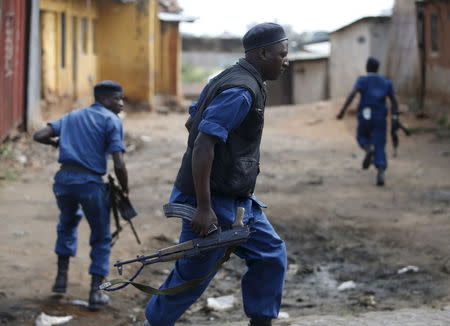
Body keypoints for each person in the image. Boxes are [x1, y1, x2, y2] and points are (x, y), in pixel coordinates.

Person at [143, 23, 289, 326]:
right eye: (282, 54)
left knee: (270, 254)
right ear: (263, 53)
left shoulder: (238, 78)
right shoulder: (240, 90)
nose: (285, 61)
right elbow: (202, 144)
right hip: (210, 200)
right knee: (194, 274)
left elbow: (193, 118)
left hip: (236, 197)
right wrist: (204, 207)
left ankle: (261, 320)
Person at [33, 80, 129, 311]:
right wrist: (125, 189)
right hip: (90, 184)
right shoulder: (111, 120)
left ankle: (61, 280)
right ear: (104, 99)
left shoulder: (71, 116)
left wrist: (57, 143)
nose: (121, 104)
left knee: (66, 224)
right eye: (117, 99)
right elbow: (118, 162)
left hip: (64, 181)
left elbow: (39, 135)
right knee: (101, 235)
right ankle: (96, 293)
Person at [337, 57, 399, 186]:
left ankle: (368, 148)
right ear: (377, 68)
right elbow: (394, 102)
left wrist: (342, 111)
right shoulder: (386, 82)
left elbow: (352, 95)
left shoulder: (362, 81)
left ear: (367, 67)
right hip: (380, 116)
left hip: (365, 114)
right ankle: (381, 171)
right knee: (380, 143)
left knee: (361, 136)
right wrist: (394, 117)